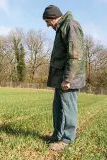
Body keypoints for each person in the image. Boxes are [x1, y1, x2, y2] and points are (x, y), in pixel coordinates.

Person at [42, 5, 85, 151]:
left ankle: (66, 140)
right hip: (60, 79)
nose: (48, 25)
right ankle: (57, 135)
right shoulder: (61, 28)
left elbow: (75, 54)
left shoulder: (70, 25)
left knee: (68, 109)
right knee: (58, 108)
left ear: (54, 18)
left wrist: (68, 79)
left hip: (68, 79)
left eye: (48, 22)